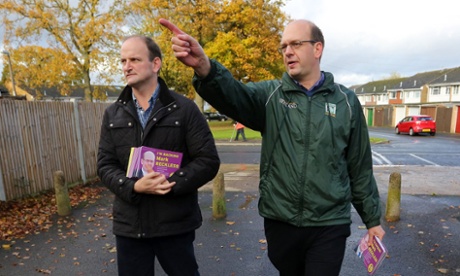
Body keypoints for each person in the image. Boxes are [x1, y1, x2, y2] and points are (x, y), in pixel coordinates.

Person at [160, 18, 385, 276]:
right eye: (284, 46)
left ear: (317, 49)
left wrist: (372, 220)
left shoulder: (346, 102)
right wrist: (203, 65)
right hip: (281, 222)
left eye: (296, 44)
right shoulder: (270, 96)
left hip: (329, 223)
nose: (287, 51)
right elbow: (233, 94)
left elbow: (359, 166)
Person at [97, 34, 220, 276]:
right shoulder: (113, 114)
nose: (126, 66)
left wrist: (169, 182)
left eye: (134, 59)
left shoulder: (184, 109)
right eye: (122, 61)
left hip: (173, 224)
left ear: (155, 64)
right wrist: (133, 187)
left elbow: (208, 160)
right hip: (130, 227)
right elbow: (105, 165)